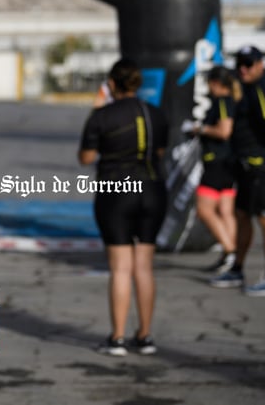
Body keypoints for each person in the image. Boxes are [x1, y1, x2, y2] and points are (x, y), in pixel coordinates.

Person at [78, 57, 169, 357]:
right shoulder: (156, 113)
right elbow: (159, 151)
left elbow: (86, 157)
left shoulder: (103, 116)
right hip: (153, 190)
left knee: (120, 268)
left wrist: (97, 109)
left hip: (116, 191)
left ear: (112, 84)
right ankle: (145, 336)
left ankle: (117, 338)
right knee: (143, 266)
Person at [210, 46, 265, 296]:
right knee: (243, 216)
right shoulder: (244, 89)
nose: (243, 69)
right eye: (240, 64)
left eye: (249, 64)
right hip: (245, 164)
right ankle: (237, 267)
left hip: (260, 164)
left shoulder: (261, 88)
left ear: (260, 64)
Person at [184, 66, 239, 275]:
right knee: (225, 211)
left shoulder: (223, 101)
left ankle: (230, 250)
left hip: (218, 162)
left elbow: (225, 131)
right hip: (228, 163)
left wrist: (200, 129)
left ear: (216, 83)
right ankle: (231, 258)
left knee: (204, 210)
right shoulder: (231, 100)